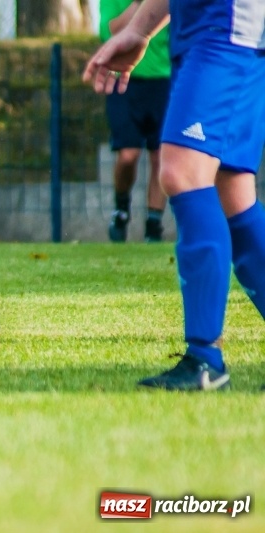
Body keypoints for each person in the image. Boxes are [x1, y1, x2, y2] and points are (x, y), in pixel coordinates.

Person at [83, 0, 265, 390]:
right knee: (233, 195)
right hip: (213, 32)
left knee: (181, 172)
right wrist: (140, 30)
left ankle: (204, 359)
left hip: (225, 30)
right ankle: (204, 358)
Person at [100, 0, 170, 242]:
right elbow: (112, 30)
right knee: (128, 154)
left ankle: (154, 223)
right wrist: (141, 5)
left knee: (160, 155)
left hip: (163, 81)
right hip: (123, 81)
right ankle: (121, 209)